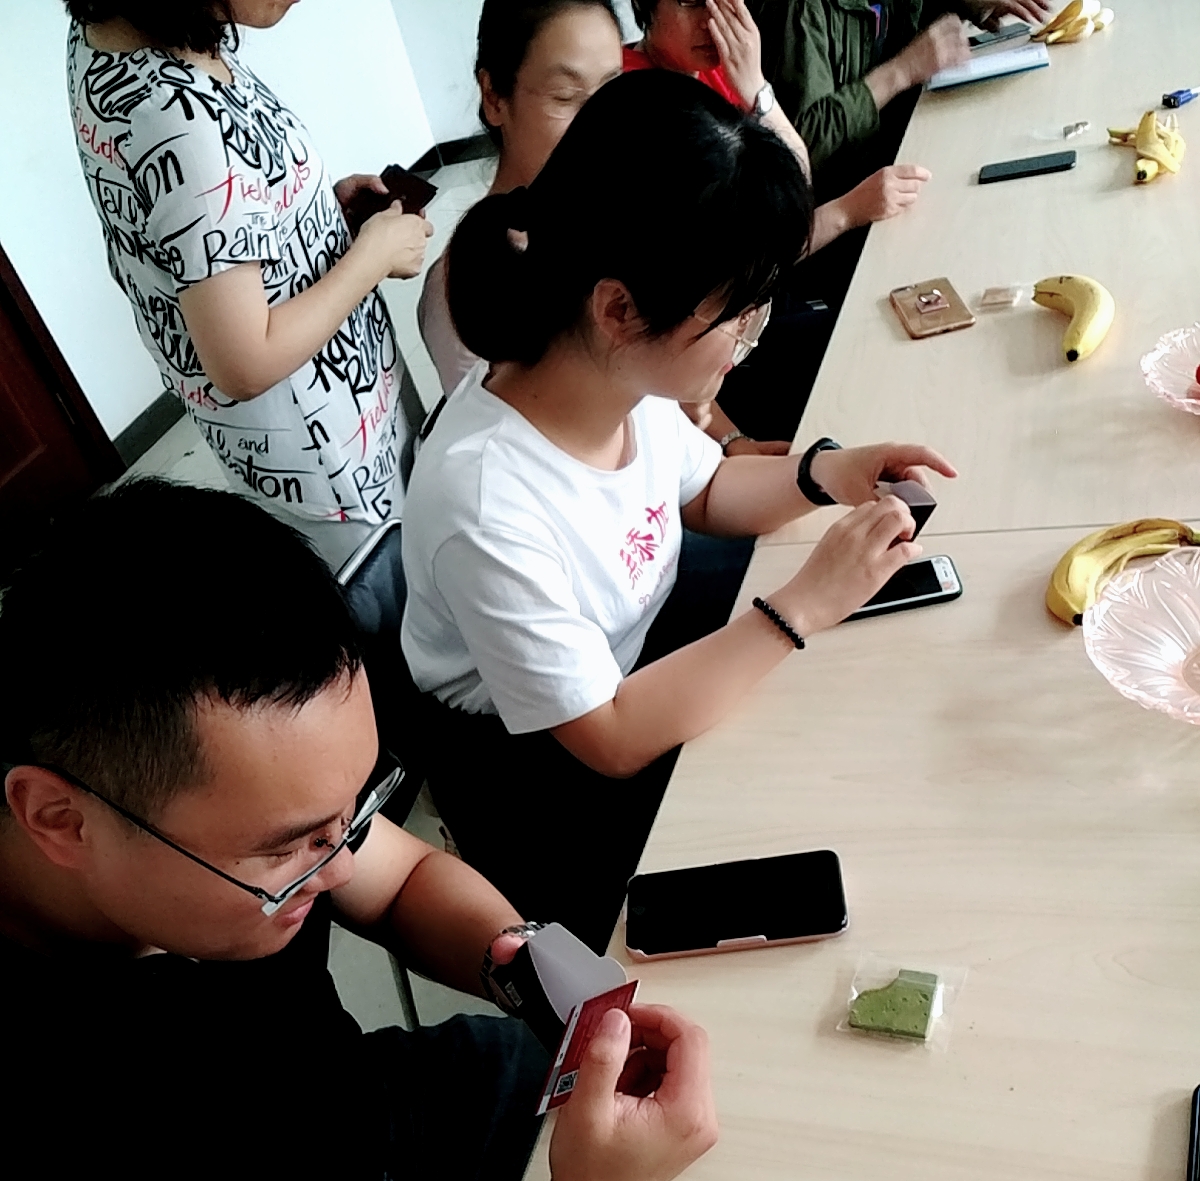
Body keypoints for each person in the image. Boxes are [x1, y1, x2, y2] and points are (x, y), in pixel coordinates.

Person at [0, 477, 717, 1181]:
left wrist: (531, 970)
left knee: (720, 1174)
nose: (334, 862)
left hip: (373, 1116)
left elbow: (400, 875)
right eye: (289, 849)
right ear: (59, 821)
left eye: (355, 809)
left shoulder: (252, 804)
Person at [401, 71, 955, 952]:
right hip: (548, 768)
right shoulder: (485, 500)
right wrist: (802, 606)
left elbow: (705, 491)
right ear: (620, 309)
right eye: (736, 314)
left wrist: (828, 473)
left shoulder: (610, 374)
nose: (745, 339)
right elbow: (611, 737)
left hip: (639, 660)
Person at [66, 0, 434, 564]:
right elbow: (244, 362)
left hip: (320, 412)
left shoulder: (125, 27)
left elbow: (194, 232)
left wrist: (309, 211)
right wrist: (372, 258)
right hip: (332, 451)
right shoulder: (177, 120)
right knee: (403, 584)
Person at [419, 0, 784, 456]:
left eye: (612, 90)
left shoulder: (622, 212)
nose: (602, 125)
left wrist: (730, 442)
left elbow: (678, 390)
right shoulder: (471, 287)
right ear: (494, 96)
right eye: (565, 97)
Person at [623, 0, 931, 441]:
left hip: (753, 317)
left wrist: (755, 86)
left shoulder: (713, 69)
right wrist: (848, 211)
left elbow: (790, 193)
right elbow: (752, 254)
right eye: (690, 3)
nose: (713, 20)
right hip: (715, 358)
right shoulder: (639, 100)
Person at [751, 0, 1057, 182]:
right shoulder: (797, 10)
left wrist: (969, 3)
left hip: (907, 145)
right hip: (848, 200)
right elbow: (797, 150)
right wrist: (902, 71)